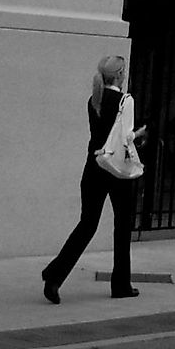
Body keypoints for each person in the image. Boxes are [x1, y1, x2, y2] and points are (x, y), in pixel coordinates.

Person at [42, 54, 146, 304]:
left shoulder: (94, 100)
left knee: (87, 224)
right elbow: (126, 138)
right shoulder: (125, 101)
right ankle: (120, 284)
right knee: (122, 227)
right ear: (120, 75)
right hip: (116, 170)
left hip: (94, 166)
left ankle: (55, 276)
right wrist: (141, 135)